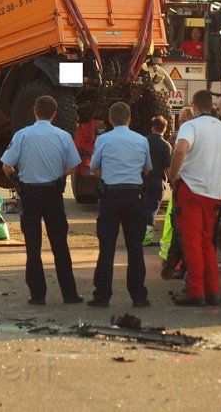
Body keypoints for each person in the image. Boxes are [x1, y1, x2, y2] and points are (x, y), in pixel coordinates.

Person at [1, 95, 82, 306]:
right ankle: (69, 294)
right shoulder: (63, 136)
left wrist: (16, 180)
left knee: (33, 247)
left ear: (34, 112)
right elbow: (72, 166)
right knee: (60, 246)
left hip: (30, 196)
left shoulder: (22, 135)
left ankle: (37, 295)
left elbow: (6, 166)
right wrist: (58, 175)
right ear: (54, 114)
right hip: (53, 195)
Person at [168, 90, 221, 306]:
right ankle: (211, 290)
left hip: (191, 191)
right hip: (214, 194)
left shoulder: (191, 126)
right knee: (207, 243)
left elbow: (180, 150)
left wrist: (173, 175)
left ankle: (195, 292)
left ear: (194, 106)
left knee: (191, 243)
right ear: (211, 106)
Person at [88, 102, 152, 308]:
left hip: (111, 196)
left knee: (106, 247)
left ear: (110, 119)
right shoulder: (142, 141)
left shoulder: (103, 140)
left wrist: (108, 174)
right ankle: (139, 296)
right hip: (134, 196)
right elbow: (147, 169)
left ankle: (102, 295)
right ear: (129, 118)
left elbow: (93, 168)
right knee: (135, 248)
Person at [159, 106, 193, 271]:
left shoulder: (189, 135)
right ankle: (176, 261)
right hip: (185, 189)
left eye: (183, 121)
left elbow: (179, 155)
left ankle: (177, 262)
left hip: (185, 188)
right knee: (178, 227)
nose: (180, 124)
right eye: (179, 121)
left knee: (181, 229)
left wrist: (173, 177)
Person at [143, 115, 172, 246]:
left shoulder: (143, 141)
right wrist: (173, 182)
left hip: (141, 181)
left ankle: (139, 235)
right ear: (164, 129)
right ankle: (146, 238)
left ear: (152, 127)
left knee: (143, 208)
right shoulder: (165, 145)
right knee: (152, 209)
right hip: (156, 182)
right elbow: (167, 167)